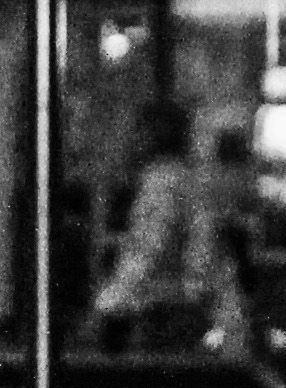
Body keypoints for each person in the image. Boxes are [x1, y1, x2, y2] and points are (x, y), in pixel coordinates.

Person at [85, 102, 255, 357]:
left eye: (136, 130)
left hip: (178, 314)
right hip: (213, 314)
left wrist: (110, 302)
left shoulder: (162, 181)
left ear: (150, 135)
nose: (128, 139)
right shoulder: (186, 179)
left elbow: (148, 250)